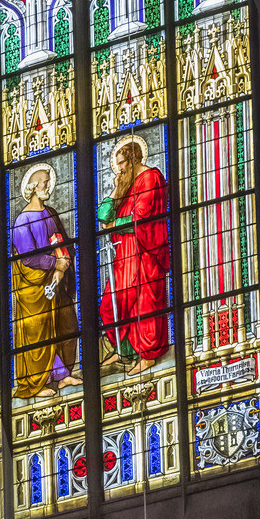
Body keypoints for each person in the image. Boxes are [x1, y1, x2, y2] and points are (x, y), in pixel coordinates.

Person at [98, 132, 171, 365]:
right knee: (110, 306)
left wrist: (115, 225)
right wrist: (116, 190)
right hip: (125, 256)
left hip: (146, 251)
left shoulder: (151, 178)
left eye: (121, 163)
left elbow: (141, 217)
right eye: (116, 164)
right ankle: (124, 350)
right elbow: (103, 216)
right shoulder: (125, 185)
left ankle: (147, 355)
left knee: (144, 304)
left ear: (134, 159)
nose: (117, 169)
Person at [9, 161, 78, 401]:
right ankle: (37, 383)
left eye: (48, 180)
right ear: (32, 186)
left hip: (55, 282)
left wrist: (64, 261)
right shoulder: (22, 221)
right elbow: (29, 259)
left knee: (64, 325)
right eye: (44, 181)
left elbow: (60, 241)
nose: (48, 184)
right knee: (39, 333)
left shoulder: (50, 213)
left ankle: (61, 373)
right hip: (34, 288)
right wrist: (54, 264)